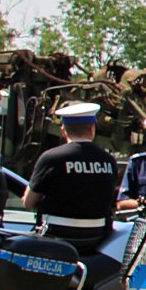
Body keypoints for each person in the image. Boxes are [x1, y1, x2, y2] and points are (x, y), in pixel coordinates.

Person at [22, 102, 118, 248]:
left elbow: (28, 202)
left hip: (57, 237)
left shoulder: (51, 158)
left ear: (63, 131)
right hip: (97, 239)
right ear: (93, 129)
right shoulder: (109, 160)